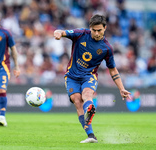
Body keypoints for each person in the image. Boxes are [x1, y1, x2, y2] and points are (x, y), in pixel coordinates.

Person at [54, 14, 131, 143]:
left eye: (99, 30)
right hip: (71, 76)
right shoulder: (80, 34)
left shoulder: (107, 48)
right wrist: (58, 33)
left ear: (105, 28)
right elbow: (62, 32)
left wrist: (121, 88)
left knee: (87, 94)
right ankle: (91, 136)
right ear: (90, 28)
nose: (96, 33)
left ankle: (89, 108)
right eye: (94, 30)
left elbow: (112, 69)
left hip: (88, 76)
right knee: (76, 100)